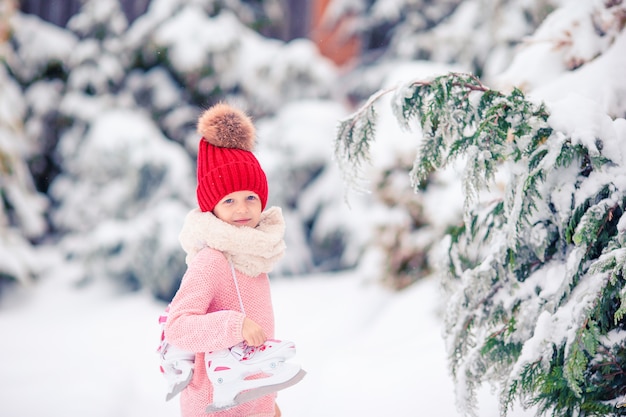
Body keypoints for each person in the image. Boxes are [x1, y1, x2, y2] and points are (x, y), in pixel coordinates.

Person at [163, 103, 302, 417]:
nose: (242, 209)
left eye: (250, 197)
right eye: (229, 200)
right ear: (212, 207)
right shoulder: (211, 261)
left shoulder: (252, 259)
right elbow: (179, 327)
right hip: (216, 405)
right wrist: (234, 325)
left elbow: (261, 337)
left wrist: (270, 395)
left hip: (254, 400)